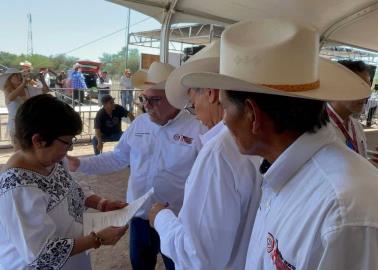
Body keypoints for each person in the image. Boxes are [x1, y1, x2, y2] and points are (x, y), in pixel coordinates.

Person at [181, 18, 378, 269]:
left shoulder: (345, 212)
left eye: (226, 106)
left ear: (252, 114)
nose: (225, 121)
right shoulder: (289, 175)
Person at [67, 61, 207, 270]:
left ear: (175, 98)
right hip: (139, 217)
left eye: (154, 100)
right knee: (140, 266)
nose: (146, 105)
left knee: (177, 266)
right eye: (143, 99)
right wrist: (80, 164)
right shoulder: (140, 124)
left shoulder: (197, 129)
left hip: (176, 219)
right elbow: (118, 158)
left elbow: (204, 180)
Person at [148, 41, 262, 269]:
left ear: (210, 93)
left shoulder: (218, 152)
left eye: (192, 103)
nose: (195, 113)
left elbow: (197, 257)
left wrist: (160, 217)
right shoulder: (258, 139)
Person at [0, 94, 128, 270]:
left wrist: (102, 204)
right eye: (67, 143)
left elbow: (72, 187)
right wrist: (97, 239)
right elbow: (41, 255)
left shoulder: (50, 159)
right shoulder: (18, 189)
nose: (69, 149)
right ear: (38, 141)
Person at [327, 60, 378, 163]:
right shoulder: (318, 130)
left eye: (367, 88)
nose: (366, 95)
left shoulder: (356, 126)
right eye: (358, 87)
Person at [0, 68, 49, 148]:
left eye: (19, 75)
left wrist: (42, 79)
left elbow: (45, 90)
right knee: (19, 149)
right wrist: (23, 83)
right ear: (10, 79)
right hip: (16, 124)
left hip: (29, 123)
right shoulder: (7, 90)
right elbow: (10, 98)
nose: (19, 77)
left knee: (30, 148)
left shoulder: (27, 89)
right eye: (15, 76)